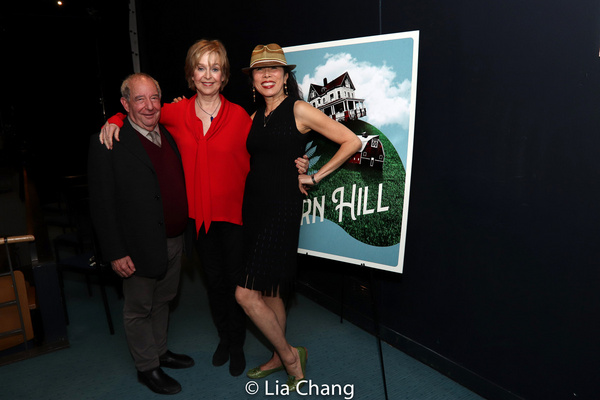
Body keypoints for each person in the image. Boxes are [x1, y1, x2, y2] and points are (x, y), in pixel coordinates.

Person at [99, 39, 308, 377]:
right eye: (201, 67)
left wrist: (300, 163)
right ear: (191, 74)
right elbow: (140, 111)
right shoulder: (175, 112)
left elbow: (274, 146)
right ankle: (225, 340)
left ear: (224, 75)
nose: (208, 74)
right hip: (197, 222)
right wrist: (113, 119)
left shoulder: (242, 117)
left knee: (239, 285)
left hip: (239, 217)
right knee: (216, 286)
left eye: (215, 67)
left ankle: (238, 345)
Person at [235, 43, 362, 391]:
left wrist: (315, 175)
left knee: (245, 295)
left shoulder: (300, 109)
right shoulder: (253, 117)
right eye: (260, 70)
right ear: (253, 80)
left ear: (285, 75)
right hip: (255, 205)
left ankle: (291, 356)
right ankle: (279, 354)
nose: (267, 75)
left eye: (274, 69)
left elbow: (351, 141)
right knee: (272, 288)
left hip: (281, 207)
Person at [88, 73, 194, 395]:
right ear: (125, 104)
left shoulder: (170, 134)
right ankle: (147, 368)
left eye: (154, 98)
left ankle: (160, 352)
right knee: (138, 309)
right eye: (139, 99)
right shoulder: (108, 141)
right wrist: (116, 252)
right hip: (136, 246)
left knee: (164, 300)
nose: (148, 106)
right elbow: (102, 205)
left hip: (175, 239)